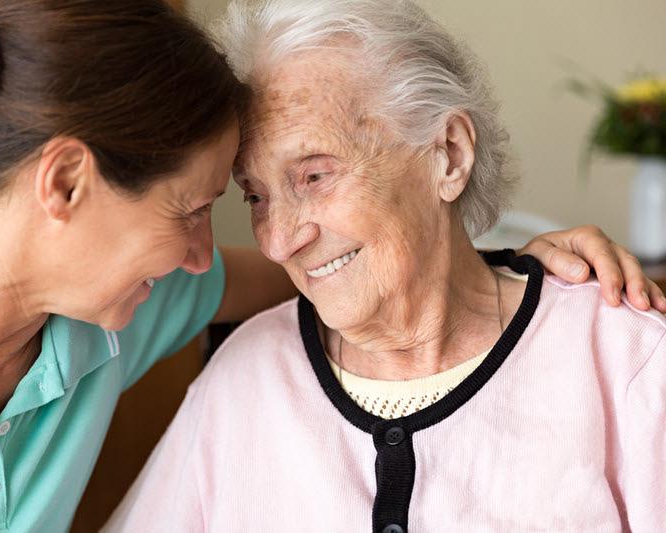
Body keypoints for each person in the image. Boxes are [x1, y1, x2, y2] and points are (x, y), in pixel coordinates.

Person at [105, 1, 666, 531]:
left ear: (448, 155)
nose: (277, 242)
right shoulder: (243, 382)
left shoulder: (625, 359)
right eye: (256, 197)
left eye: (315, 177)